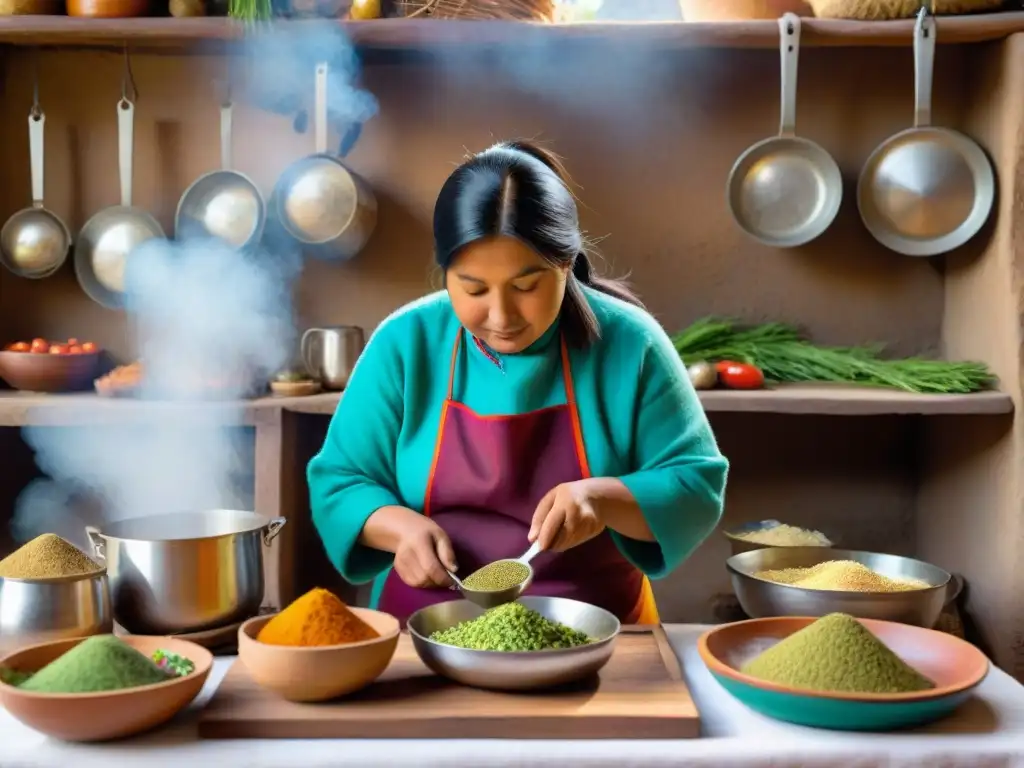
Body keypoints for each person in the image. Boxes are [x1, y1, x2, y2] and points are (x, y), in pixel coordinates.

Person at [307, 140, 729, 626]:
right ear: (445, 273)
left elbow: (695, 483)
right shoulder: (406, 343)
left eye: (526, 286)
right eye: (473, 288)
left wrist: (601, 499)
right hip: (424, 629)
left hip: (594, 627)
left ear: (566, 264)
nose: (501, 316)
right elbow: (339, 480)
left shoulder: (630, 344)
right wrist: (398, 529)